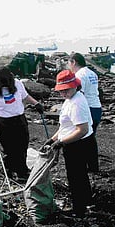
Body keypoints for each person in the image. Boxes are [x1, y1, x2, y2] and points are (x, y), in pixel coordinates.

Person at [43, 70, 96, 218]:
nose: (63, 93)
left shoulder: (76, 103)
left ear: (75, 86)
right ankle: (86, 202)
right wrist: (53, 139)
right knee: (79, 176)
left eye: (66, 90)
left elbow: (82, 130)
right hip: (73, 141)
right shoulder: (71, 99)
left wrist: (61, 142)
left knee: (76, 177)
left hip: (78, 144)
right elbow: (66, 126)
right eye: (61, 91)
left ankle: (79, 209)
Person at [0, 67, 44, 180]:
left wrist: (36, 103)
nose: (4, 88)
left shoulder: (18, 84)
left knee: (22, 146)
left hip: (19, 119)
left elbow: (25, 96)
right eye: (2, 86)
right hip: (4, 122)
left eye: (6, 85)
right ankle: (9, 170)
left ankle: (22, 170)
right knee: (9, 148)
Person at [67, 52, 100, 172]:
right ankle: (93, 166)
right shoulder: (93, 73)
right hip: (97, 106)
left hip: (88, 108)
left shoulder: (79, 75)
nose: (68, 66)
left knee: (85, 138)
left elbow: (80, 94)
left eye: (69, 63)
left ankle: (88, 166)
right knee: (91, 138)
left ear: (74, 62)